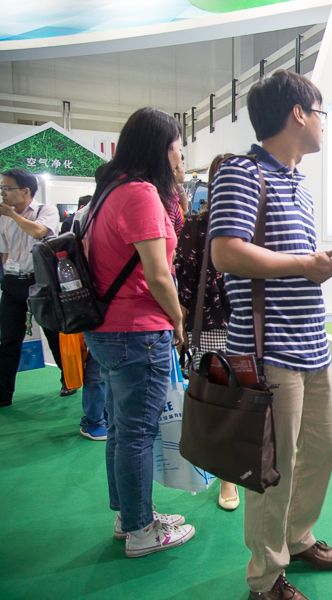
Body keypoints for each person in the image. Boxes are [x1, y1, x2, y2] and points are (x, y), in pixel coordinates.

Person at [209, 70, 332, 600]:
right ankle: (266, 576)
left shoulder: (299, 185)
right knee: (272, 469)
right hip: (267, 348)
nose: (324, 124)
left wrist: (327, 264)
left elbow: (289, 263)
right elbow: (225, 253)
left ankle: (297, 537)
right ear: (298, 113)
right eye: (321, 113)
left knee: (323, 448)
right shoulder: (242, 173)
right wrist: (304, 263)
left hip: (311, 344)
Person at [83, 107, 195, 558]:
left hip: (107, 330)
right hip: (137, 331)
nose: (180, 156)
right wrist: (179, 319)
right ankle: (141, 530)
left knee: (120, 429)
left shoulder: (108, 191)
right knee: (136, 433)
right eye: (178, 147)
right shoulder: (141, 193)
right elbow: (158, 274)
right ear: (161, 148)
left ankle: (130, 515)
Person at [173, 152, 239, 510]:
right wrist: (181, 326)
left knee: (251, 401)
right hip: (213, 328)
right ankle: (227, 477)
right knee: (220, 402)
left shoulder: (258, 224)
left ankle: (242, 465)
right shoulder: (197, 226)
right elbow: (184, 283)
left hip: (253, 329)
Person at [0, 168, 71, 407]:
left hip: (40, 282)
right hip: (12, 282)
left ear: (25, 191)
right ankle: (3, 393)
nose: (3, 193)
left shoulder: (45, 210)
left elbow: (40, 232)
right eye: (1, 188)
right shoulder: (3, 216)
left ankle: (69, 379)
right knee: (9, 339)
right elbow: (4, 251)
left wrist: (12, 215)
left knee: (53, 333)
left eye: (7, 188)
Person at [58, 194, 108, 440]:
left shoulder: (86, 214)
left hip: (96, 301)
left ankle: (99, 417)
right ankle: (93, 420)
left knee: (102, 368)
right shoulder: (90, 214)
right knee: (97, 369)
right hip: (96, 301)